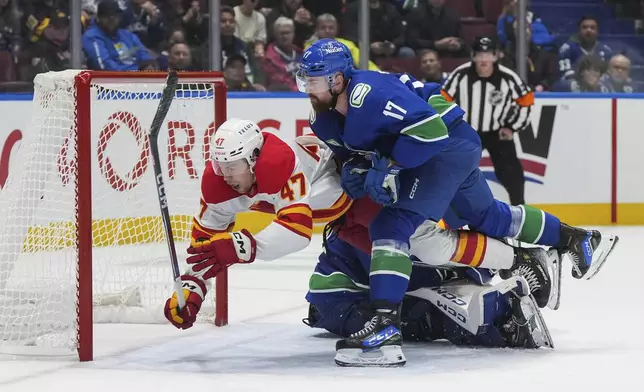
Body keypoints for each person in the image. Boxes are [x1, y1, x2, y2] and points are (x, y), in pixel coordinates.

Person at [296, 38, 618, 367]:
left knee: (390, 226)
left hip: (444, 146)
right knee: (487, 215)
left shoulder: (366, 94)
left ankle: (384, 331)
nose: (307, 88)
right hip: (457, 144)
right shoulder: (324, 117)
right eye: (304, 80)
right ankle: (577, 239)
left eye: (314, 80)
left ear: (338, 79)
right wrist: (356, 167)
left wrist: (388, 164)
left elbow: (431, 131)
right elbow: (356, 152)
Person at [162, 120, 352, 330]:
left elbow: (297, 231)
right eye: (220, 166)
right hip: (338, 226)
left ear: (253, 159)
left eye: (232, 166)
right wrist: (192, 287)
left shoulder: (281, 163)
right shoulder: (217, 185)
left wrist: (239, 246)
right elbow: (203, 248)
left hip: (356, 198)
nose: (225, 176)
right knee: (333, 306)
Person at [304, 234, 553, 367]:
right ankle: (505, 327)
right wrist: (467, 268)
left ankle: (500, 317)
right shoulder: (370, 223)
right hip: (340, 301)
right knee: (425, 318)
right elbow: (400, 275)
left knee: (438, 296)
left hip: (367, 294)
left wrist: (481, 264)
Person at [442, 36, 532, 205]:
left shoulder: (508, 77)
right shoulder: (460, 74)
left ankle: (520, 209)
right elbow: (442, 100)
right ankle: (445, 209)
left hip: (496, 133)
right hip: (467, 132)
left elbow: (526, 100)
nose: (484, 59)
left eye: (488, 54)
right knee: (453, 170)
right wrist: (451, 127)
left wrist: (512, 127)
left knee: (512, 174)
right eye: (479, 54)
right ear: (473, 56)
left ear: (496, 56)